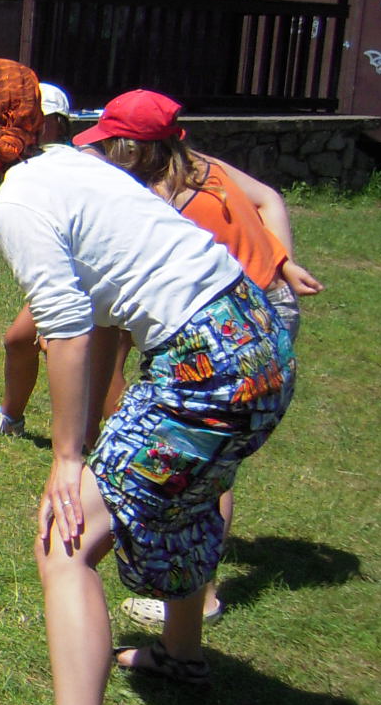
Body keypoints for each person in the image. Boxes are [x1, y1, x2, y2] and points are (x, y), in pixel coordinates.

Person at [0, 65, 294, 705]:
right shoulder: (84, 169)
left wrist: (67, 459)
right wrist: (96, 435)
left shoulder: (17, 203)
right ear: (44, 120)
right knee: (189, 496)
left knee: (65, 537)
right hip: (260, 342)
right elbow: (104, 314)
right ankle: (181, 656)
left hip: (206, 366)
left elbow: (66, 325)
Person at [72, 89, 322, 638]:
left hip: (233, 330)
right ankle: (187, 620)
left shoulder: (164, 204)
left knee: (205, 466)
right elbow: (269, 199)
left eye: (109, 144)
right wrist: (282, 260)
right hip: (265, 311)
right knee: (211, 462)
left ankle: (199, 599)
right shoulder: (204, 166)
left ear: (132, 150)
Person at [0, 81, 76, 438]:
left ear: (57, 124)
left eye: (38, 120)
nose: (29, 127)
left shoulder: (65, 163)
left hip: (91, 274)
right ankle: (11, 418)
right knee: (19, 340)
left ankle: (89, 442)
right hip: (68, 269)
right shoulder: (28, 163)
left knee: (85, 357)